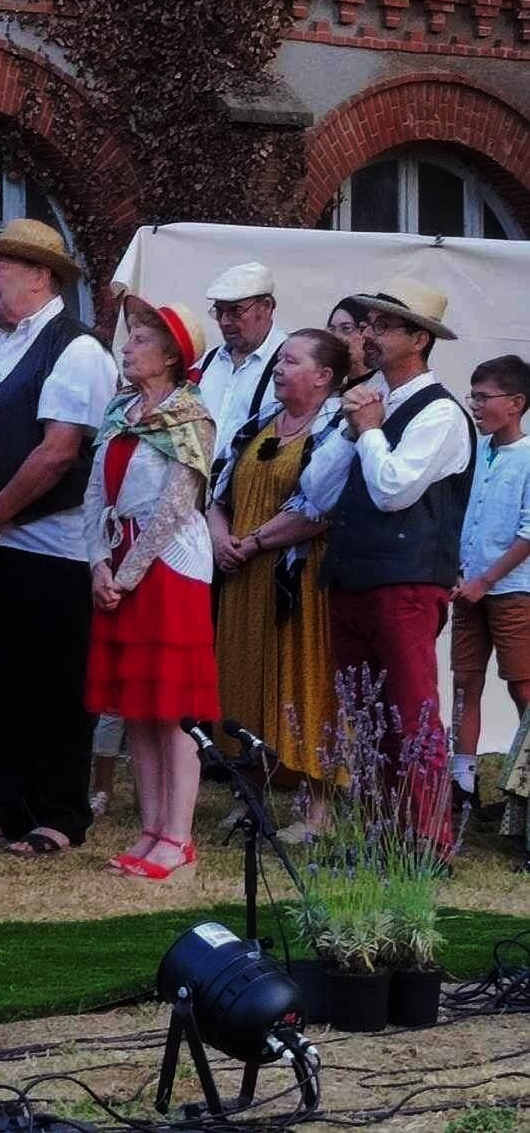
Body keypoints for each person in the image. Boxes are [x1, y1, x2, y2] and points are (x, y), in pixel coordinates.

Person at [0, 219, 116, 857]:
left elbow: (59, 453)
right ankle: (10, 803)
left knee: (56, 683)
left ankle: (61, 812)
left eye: (2, 265)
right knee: (8, 681)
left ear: (41, 276)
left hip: (52, 547)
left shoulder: (76, 349)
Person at [299, 278, 475, 849]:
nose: (368, 334)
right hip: (352, 580)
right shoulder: (372, 401)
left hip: (407, 583)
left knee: (411, 713)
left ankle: (426, 841)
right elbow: (315, 488)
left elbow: (393, 491)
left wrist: (369, 431)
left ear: (419, 339)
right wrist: (356, 431)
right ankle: (380, 833)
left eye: (383, 326)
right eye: (367, 324)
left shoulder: (441, 413)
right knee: (366, 717)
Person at [85, 295, 218, 883]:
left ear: (171, 356)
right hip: (118, 558)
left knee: (170, 709)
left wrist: (127, 573)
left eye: (141, 340)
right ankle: (149, 827)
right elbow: (94, 493)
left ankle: (178, 835)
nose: (128, 347)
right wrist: (97, 563)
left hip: (167, 568)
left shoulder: (191, 419)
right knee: (137, 708)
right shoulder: (121, 412)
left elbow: (174, 509)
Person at [209, 329, 350, 839]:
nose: (279, 368)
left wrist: (252, 542)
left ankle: (317, 810)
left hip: (299, 581)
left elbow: (319, 510)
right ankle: (252, 798)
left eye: (291, 361)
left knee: (303, 681)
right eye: (280, 361)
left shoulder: (337, 429)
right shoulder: (257, 425)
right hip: (243, 576)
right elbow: (216, 495)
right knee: (243, 678)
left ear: (324, 377)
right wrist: (224, 540)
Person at [452, 355, 530, 820]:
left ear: (516, 403)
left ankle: (522, 784)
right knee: (465, 684)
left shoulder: (527, 457)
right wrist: (462, 575)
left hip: (512, 590)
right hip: (468, 589)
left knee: (522, 686)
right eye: (473, 396)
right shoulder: (475, 451)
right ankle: (463, 783)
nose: (476, 406)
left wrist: (487, 579)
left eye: (484, 398)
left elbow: (528, 532)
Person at [197, 262, 287, 459]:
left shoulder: (291, 363)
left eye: (235, 311)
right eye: (219, 311)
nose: (224, 321)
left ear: (266, 307)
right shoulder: (207, 363)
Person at [326, 299, 373, 389]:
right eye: (332, 329)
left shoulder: (381, 387)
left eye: (346, 328)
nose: (337, 336)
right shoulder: (332, 389)